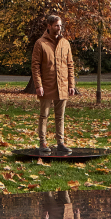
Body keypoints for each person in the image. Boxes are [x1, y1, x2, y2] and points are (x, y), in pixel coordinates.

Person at [31, 14, 78, 157]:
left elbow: (70, 65)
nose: (59, 28)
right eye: (56, 25)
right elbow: (35, 66)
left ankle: (61, 142)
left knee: (60, 116)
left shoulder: (65, 43)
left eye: (60, 25)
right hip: (46, 85)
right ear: (49, 26)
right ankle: (43, 142)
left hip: (63, 85)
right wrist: (38, 85)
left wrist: (71, 84)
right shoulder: (40, 43)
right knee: (44, 115)